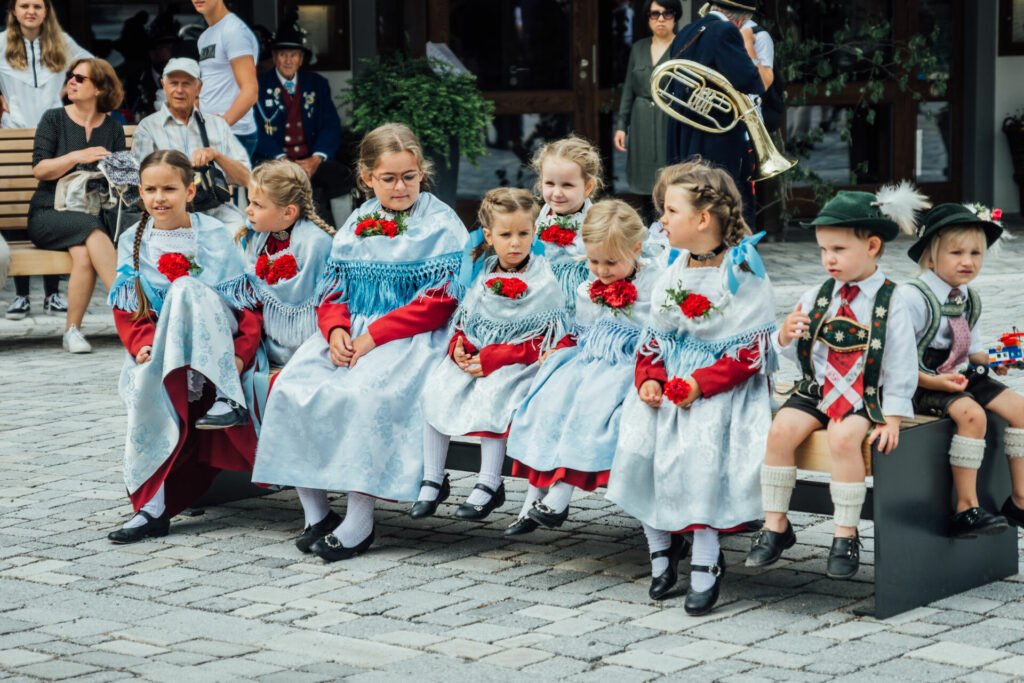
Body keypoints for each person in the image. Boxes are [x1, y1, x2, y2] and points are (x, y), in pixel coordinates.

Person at [250, 123, 466, 563]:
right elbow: (333, 289)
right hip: (352, 333)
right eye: (388, 178)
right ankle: (316, 514)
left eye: (409, 176)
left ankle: (360, 518)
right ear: (367, 177)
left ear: (421, 172)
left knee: (365, 395)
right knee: (292, 387)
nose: (400, 186)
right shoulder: (359, 220)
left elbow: (440, 302)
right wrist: (334, 331)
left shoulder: (440, 223)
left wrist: (372, 337)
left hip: (409, 336)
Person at [607, 160, 776, 613]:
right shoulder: (673, 267)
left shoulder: (742, 272)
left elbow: (750, 353)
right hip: (673, 377)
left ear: (702, 219)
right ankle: (660, 546)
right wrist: (649, 379)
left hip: (723, 386)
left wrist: (700, 385)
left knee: (701, 439)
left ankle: (706, 557)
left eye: (669, 210)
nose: (660, 219)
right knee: (641, 428)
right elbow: (654, 337)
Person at [745, 184, 926, 580]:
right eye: (823, 249)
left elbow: (900, 362)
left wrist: (893, 416)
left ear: (873, 246)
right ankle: (775, 525)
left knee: (845, 440)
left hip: (864, 393)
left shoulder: (894, 300)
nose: (829, 258)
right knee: (779, 432)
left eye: (839, 250)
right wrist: (786, 335)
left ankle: (845, 533)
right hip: (818, 388)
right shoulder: (816, 296)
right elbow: (799, 354)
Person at [105, 150, 263, 544]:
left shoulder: (215, 233)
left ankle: (228, 397)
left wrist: (241, 357)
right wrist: (143, 345)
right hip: (162, 345)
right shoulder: (131, 240)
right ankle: (152, 508)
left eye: (170, 189)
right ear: (139, 192)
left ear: (190, 191)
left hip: (218, 343)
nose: (160, 197)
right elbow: (128, 307)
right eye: (151, 189)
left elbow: (245, 305)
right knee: (145, 385)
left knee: (184, 286)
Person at [413, 188, 572, 521]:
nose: (515, 243)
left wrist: (499, 357)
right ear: (488, 235)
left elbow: (547, 338)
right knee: (438, 387)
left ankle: (488, 482)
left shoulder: (543, 277)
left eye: (523, 233)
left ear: (534, 233)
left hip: (519, 362)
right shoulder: (484, 270)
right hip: (478, 357)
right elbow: (467, 316)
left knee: (495, 393)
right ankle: (432, 476)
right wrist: (459, 343)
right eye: (505, 234)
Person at [505, 199, 657, 536]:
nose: (601, 271)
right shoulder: (589, 286)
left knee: (590, 403)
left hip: (627, 363)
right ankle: (534, 495)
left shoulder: (653, 285)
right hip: (590, 357)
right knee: (549, 395)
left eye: (611, 262)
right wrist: (560, 348)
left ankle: (560, 493)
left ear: (636, 249)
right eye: (593, 260)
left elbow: (661, 333)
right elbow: (579, 328)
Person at [904, 203, 1024, 536]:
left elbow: (972, 352)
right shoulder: (912, 297)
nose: (968, 261)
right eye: (956, 252)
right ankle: (966, 507)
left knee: (1021, 410)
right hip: (920, 379)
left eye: (976, 253)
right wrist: (933, 381)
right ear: (930, 257)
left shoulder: (968, 297)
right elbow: (893, 359)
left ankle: (1019, 499)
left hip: (958, 374)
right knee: (973, 415)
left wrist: (1001, 358)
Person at [0, 0, 91, 320]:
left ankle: (53, 294)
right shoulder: (1, 43)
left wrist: (71, 95)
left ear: (46, 10)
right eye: (24, 5)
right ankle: (21, 296)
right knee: (19, 209)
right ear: (14, 10)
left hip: (54, 133)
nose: (31, 11)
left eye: (37, 5)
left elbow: (93, 67)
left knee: (53, 207)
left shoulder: (61, 41)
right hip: (15, 134)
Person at [28, 57, 123, 353]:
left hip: (91, 212)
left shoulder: (113, 128)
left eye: (81, 78)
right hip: (48, 213)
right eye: (71, 76)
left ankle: (72, 331)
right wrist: (75, 157)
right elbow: (40, 170)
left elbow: (120, 181)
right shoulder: (53, 118)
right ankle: (130, 315)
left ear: (99, 88)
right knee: (92, 232)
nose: (72, 81)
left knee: (83, 256)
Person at [664, 0, 765, 228]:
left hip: (684, 128)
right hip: (715, 133)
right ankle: (729, 251)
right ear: (739, 20)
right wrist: (748, 48)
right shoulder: (727, 30)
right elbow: (751, 81)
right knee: (722, 195)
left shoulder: (687, 30)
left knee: (691, 192)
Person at [131, 57, 252, 230]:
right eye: (173, 83)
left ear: (198, 87)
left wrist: (215, 155)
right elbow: (139, 186)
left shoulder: (217, 125)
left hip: (215, 210)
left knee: (238, 228)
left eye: (186, 83)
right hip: (169, 213)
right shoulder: (148, 128)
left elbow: (246, 178)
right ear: (164, 86)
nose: (179, 90)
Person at [253, 17, 349, 224]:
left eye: (294, 55)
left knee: (342, 176)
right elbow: (254, 129)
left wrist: (316, 159)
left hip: (310, 158)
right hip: (274, 160)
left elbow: (330, 125)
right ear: (274, 57)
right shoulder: (259, 85)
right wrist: (281, 158)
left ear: (301, 59)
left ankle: (344, 232)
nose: (288, 60)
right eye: (283, 55)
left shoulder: (317, 84)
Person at [240, 159, 335, 367]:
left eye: (257, 204)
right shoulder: (259, 237)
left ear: (288, 212)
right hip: (266, 341)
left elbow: (325, 302)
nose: (248, 210)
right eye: (249, 201)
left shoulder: (315, 244)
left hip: (308, 345)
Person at [613, 0, 680, 201]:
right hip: (640, 118)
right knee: (643, 179)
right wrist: (621, 126)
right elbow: (628, 89)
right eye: (655, 14)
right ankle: (648, 228)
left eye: (667, 14)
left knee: (670, 178)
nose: (661, 19)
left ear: (675, 17)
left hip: (669, 118)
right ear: (648, 18)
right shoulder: (638, 48)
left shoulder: (683, 47)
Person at [532, 135, 602, 312]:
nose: (556, 193)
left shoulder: (594, 222)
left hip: (580, 301)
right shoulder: (543, 213)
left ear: (587, 187)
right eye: (549, 183)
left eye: (567, 185)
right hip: (543, 295)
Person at [192, 0, 259, 156]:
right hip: (211, 132)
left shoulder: (234, 31)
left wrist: (223, 123)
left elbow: (250, 90)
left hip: (234, 133)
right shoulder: (204, 37)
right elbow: (213, 84)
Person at [122, 10, 179, 123]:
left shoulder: (185, 77)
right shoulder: (135, 80)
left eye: (174, 48)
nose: (172, 53)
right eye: (166, 48)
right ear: (153, 53)